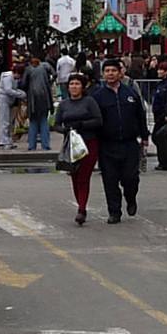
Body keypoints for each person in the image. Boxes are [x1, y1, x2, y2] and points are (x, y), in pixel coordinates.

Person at [93, 58, 149, 224]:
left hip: (130, 143)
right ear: (103, 74)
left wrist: (145, 136)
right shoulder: (98, 96)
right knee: (110, 180)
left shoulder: (130, 93)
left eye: (113, 71)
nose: (110, 74)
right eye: (107, 71)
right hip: (107, 145)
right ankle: (114, 211)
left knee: (130, 178)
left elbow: (141, 115)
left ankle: (130, 198)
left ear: (120, 73)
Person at [55, 73, 105, 225]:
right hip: (71, 145)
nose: (74, 87)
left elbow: (98, 120)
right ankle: (80, 205)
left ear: (83, 87)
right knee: (75, 177)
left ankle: (82, 209)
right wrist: (64, 130)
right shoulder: (63, 104)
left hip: (88, 143)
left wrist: (82, 125)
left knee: (83, 177)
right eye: (71, 84)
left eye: (77, 84)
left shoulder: (89, 102)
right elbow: (56, 124)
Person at [23, 52, 55, 152]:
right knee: (43, 121)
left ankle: (32, 146)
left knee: (33, 122)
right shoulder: (46, 67)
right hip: (45, 98)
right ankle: (45, 145)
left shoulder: (28, 69)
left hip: (32, 98)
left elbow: (24, 83)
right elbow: (54, 74)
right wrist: (49, 83)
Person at [0, 58, 27, 147]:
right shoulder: (7, 77)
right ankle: (3, 140)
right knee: (4, 121)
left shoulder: (12, 77)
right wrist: (21, 94)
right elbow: (8, 90)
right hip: (3, 99)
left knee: (9, 121)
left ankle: (8, 139)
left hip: (8, 100)